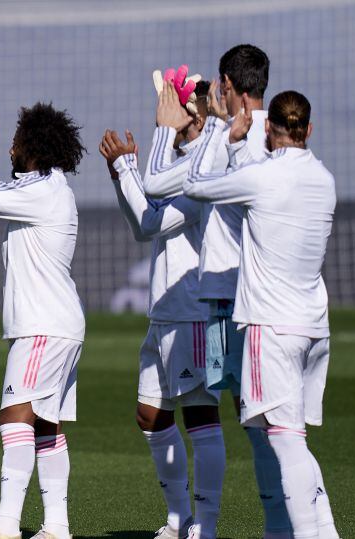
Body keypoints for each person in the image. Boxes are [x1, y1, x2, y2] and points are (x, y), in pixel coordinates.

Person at [184, 90, 338, 539]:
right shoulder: (325, 179)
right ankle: (326, 531)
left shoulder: (263, 176)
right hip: (313, 327)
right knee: (294, 439)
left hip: (272, 328)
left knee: (286, 442)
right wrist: (238, 150)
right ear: (309, 130)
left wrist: (220, 132)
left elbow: (195, 184)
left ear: (268, 128)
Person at [100, 79, 225, 538]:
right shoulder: (178, 166)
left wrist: (130, 167)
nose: (177, 113)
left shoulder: (206, 167)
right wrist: (122, 175)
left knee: (201, 417)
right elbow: (141, 225)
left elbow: (152, 221)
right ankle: (178, 519)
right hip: (165, 311)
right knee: (150, 415)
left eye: (185, 107)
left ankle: (205, 526)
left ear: (200, 118)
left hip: (193, 308)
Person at [0, 104, 85, 539]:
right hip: (56, 324)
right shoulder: (44, 187)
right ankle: (57, 526)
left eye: (16, 141)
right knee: (45, 425)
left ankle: (7, 523)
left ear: (34, 146)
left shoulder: (43, 191)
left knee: (14, 418)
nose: (11, 147)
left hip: (43, 327)